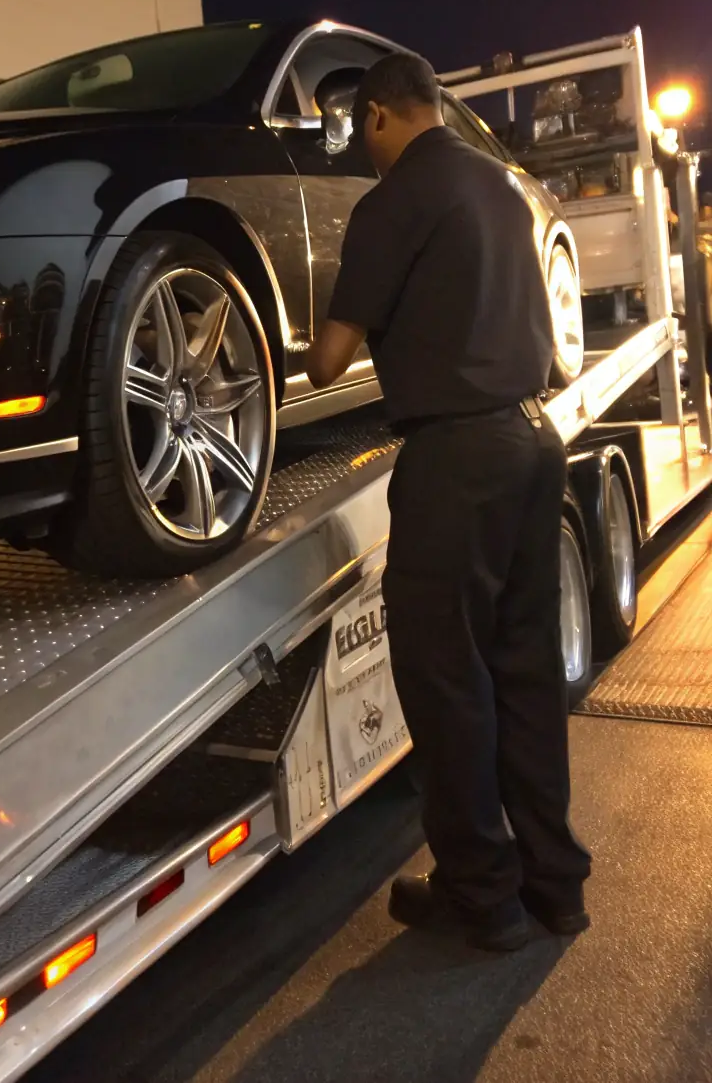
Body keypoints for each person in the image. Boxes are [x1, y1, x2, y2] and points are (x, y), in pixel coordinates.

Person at [305, 52, 591, 953]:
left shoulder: (392, 203)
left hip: (455, 456)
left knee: (447, 679)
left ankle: (482, 895)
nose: (361, 147)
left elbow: (325, 359)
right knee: (525, 669)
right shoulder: (506, 188)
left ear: (383, 113)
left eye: (361, 129)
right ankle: (556, 883)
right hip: (532, 441)